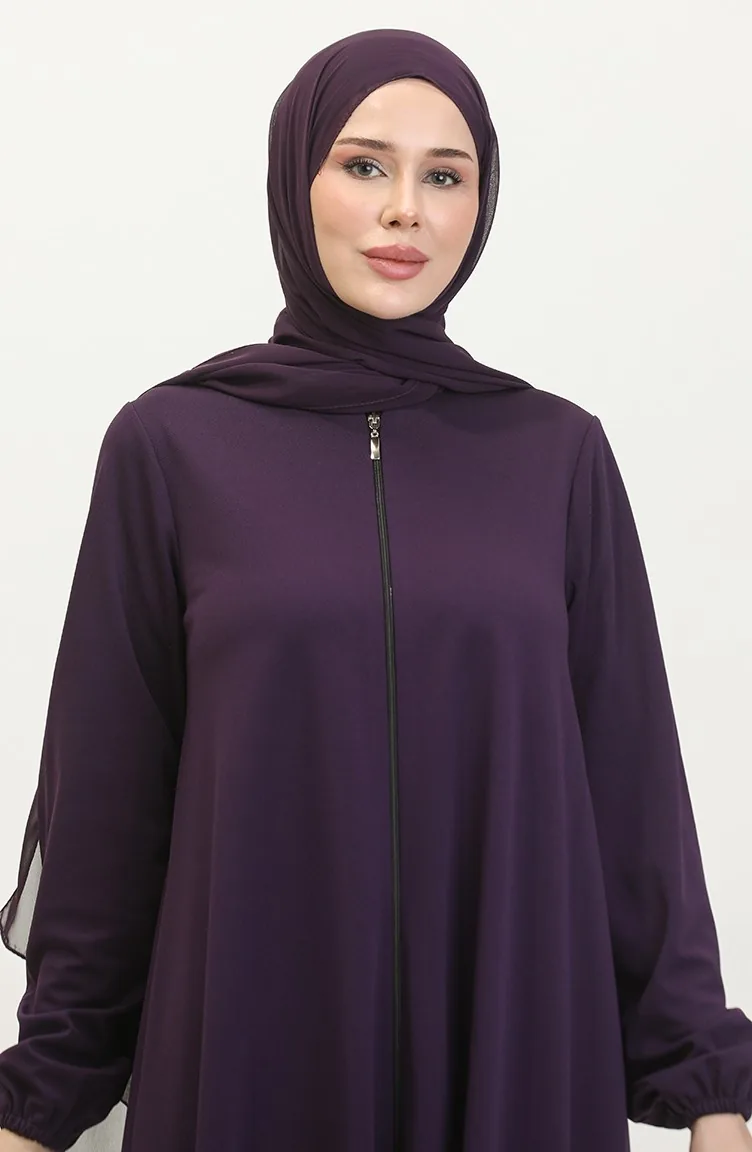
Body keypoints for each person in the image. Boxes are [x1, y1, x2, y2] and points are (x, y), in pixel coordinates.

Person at [0, 26, 751, 1152]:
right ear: (294, 180)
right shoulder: (173, 447)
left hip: (515, 1047)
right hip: (253, 1048)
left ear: (479, 205)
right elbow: (109, 803)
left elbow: (633, 791)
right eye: (363, 165)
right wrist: (41, 1097)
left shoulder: (555, 455)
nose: (405, 210)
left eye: (444, 176)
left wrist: (710, 1086)